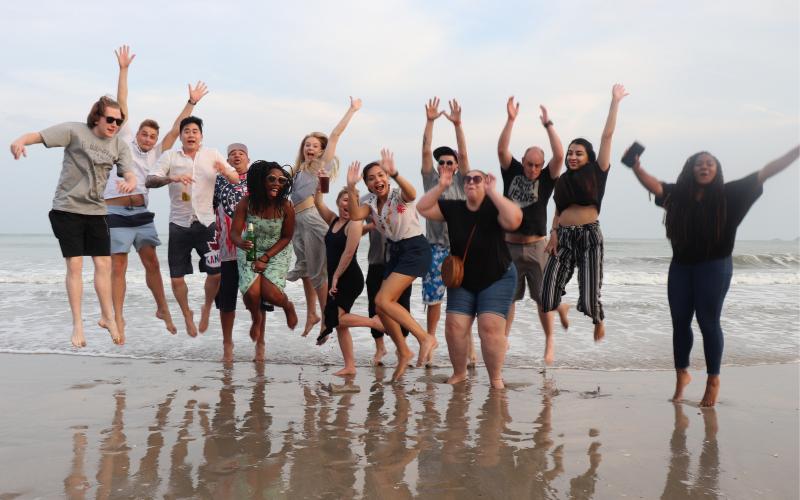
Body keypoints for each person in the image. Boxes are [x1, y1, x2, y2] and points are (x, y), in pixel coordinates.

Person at [629, 145, 799, 407]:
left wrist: (795, 152)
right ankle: (682, 375)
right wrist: (636, 166)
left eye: (709, 163)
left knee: (708, 322)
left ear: (717, 169)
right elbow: (654, 186)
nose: (704, 166)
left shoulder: (730, 194)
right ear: (690, 169)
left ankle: (713, 381)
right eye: (699, 163)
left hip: (714, 266)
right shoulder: (678, 195)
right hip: (681, 267)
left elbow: (766, 172)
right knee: (680, 323)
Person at [9, 95, 137, 347]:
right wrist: (20, 140)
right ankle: (78, 324)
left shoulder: (118, 145)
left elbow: (130, 173)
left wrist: (130, 182)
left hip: (96, 211)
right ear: (96, 118)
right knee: (75, 265)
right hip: (67, 208)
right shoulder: (74, 131)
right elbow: (38, 136)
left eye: (118, 121)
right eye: (110, 119)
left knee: (103, 263)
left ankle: (107, 316)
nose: (114, 125)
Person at [105, 44, 208, 342]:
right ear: (135, 133)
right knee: (119, 265)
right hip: (114, 210)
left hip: (141, 212)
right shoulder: (123, 141)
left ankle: (163, 309)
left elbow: (176, 130)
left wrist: (191, 103)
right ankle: (118, 317)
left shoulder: (158, 155)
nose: (149, 139)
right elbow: (122, 102)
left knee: (151, 262)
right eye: (145, 134)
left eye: (152, 135)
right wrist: (123, 70)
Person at [417, 167, 522, 388]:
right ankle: (459, 373)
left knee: (489, 327)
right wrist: (442, 186)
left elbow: (514, 221)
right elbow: (423, 207)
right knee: (454, 326)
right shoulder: (454, 208)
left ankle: (495, 378)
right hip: (463, 278)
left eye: (477, 179)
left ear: (485, 182)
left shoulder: (495, 206)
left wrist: (493, 192)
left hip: (497, 276)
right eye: (467, 180)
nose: (471, 182)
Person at [541, 84, 629, 342]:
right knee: (546, 297)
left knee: (590, 300)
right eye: (570, 153)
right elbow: (558, 207)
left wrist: (615, 102)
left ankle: (597, 319)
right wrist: (554, 232)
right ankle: (563, 307)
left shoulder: (597, 170)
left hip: (590, 237)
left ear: (589, 157)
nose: (572, 157)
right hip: (564, 237)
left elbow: (607, 136)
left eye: (578, 153)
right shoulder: (562, 180)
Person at [345, 150, 435, 381]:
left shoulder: (398, 195)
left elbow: (412, 193)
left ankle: (424, 338)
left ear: (387, 176)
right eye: (372, 178)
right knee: (382, 306)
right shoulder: (371, 202)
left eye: (381, 175)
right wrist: (351, 187)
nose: (378, 180)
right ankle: (403, 350)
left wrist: (395, 173)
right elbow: (355, 215)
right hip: (395, 251)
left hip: (415, 248)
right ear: (367, 184)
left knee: (383, 300)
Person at [146, 116, 239, 337]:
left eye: (194, 131)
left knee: (215, 274)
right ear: (180, 136)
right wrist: (172, 178)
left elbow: (235, 178)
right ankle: (187, 314)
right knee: (176, 277)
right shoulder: (170, 156)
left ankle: (206, 308)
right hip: (179, 224)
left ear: (201, 136)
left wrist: (225, 171)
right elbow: (150, 180)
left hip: (206, 223)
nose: (190, 134)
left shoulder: (212, 154)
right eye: (186, 131)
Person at [497, 96, 569, 365]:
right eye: (530, 164)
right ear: (523, 161)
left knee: (543, 300)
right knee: (509, 298)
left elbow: (559, 155)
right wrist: (511, 120)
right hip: (510, 246)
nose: (533, 169)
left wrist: (548, 125)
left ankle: (549, 341)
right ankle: (503, 339)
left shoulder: (548, 178)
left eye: (538, 165)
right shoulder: (511, 171)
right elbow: (502, 149)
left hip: (537, 245)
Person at [288, 97, 362, 338]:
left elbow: (335, 135)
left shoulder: (321, 166)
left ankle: (325, 319)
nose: (309, 148)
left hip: (310, 219)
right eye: (306, 145)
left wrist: (351, 110)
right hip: (297, 223)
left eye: (314, 145)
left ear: (321, 150)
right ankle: (312, 313)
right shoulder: (297, 171)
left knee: (318, 274)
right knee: (308, 270)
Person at [230, 161, 299, 361]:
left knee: (270, 294)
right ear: (261, 181)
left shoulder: (286, 206)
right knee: (252, 293)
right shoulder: (247, 202)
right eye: (271, 179)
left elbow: (287, 237)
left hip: (276, 250)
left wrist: (266, 257)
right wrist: (241, 243)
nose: (276, 183)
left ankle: (287, 306)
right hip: (250, 248)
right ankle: (256, 318)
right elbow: (235, 233)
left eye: (281, 180)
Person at [420, 97, 470, 366]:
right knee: (434, 300)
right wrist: (429, 122)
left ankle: (469, 349)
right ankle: (429, 343)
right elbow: (426, 151)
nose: (446, 165)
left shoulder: (463, 181)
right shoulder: (431, 180)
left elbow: (463, 152)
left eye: (450, 162)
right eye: (442, 162)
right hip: (435, 247)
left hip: (462, 248)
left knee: (465, 299)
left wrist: (458, 125)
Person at [213, 143, 273, 362]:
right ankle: (227, 344)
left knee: (256, 298)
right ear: (227, 161)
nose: (236, 156)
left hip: (253, 248)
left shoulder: (257, 181)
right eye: (231, 154)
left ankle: (260, 343)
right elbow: (212, 210)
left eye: (241, 153)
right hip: (227, 249)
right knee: (227, 300)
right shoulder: (219, 180)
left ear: (248, 158)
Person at [314, 187, 384, 375]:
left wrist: (335, 277)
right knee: (339, 325)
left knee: (337, 319)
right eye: (345, 200)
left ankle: (374, 323)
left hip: (349, 278)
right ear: (337, 202)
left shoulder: (354, 224)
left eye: (353, 201)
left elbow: (348, 253)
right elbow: (318, 203)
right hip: (335, 278)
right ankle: (350, 366)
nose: (348, 204)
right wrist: (318, 187)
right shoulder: (333, 220)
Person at [364, 221, 413, 366]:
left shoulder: (400, 204)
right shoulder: (370, 204)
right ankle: (380, 348)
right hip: (376, 261)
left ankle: (401, 348)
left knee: (403, 305)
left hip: (400, 263)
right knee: (374, 306)